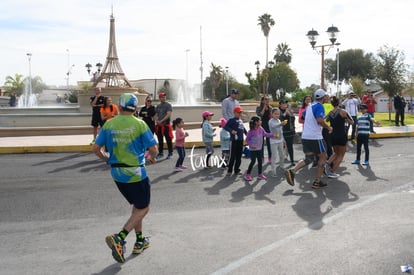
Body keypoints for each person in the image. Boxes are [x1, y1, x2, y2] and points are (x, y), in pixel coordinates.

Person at [92, 93, 158, 263]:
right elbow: (154, 149)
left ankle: (140, 241)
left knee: (137, 207)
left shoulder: (109, 124)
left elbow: (96, 148)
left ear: (119, 107)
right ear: (135, 109)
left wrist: (107, 159)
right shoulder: (140, 124)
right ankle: (120, 237)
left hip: (116, 173)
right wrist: (150, 157)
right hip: (135, 173)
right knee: (144, 208)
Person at [285, 89, 333, 189]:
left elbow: (302, 117)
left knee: (309, 158)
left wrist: (312, 123)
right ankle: (317, 181)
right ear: (323, 97)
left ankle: (292, 171)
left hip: (306, 136)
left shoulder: (310, 106)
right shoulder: (319, 106)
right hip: (315, 137)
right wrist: (328, 127)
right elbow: (319, 120)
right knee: (323, 157)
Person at [325, 96, 354, 178]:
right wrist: (345, 119)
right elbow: (352, 122)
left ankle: (326, 165)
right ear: (339, 103)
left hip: (333, 135)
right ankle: (332, 172)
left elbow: (326, 120)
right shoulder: (343, 111)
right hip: (341, 134)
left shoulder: (330, 112)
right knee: (341, 154)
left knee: (336, 153)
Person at [244, 116, 276, 181]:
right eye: (260, 121)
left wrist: (273, 135)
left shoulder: (261, 128)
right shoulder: (251, 131)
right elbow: (247, 140)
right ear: (256, 122)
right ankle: (247, 174)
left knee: (260, 161)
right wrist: (251, 145)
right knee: (253, 161)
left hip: (259, 149)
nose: (261, 122)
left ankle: (260, 174)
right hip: (253, 150)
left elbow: (266, 134)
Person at [224, 106, 246, 176]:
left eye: (240, 112)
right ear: (235, 113)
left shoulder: (241, 120)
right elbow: (225, 127)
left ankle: (237, 170)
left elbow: (243, 128)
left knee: (239, 156)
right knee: (232, 156)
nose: (240, 114)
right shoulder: (231, 120)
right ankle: (229, 170)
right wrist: (231, 131)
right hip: (234, 140)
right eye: (238, 112)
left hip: (240, 140)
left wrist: (247, 134)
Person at [268, 108, 287, 177]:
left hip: (280, 140)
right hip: (273, 141)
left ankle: (281, 166)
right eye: (275, 114)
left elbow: (281, 131)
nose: (277, 115)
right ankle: (273, 171)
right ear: (272, 114)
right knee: (274, 156)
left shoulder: (279, 120)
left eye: (278, 114)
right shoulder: (270, 121)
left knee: (282, 154)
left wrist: (283, 140)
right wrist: (281, 124)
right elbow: (274, 126)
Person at [155, 92, 173, 159]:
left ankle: (170, 153)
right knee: (160, 140)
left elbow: (168, 114)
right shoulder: (158, 106)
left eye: (164, 97)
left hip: (166, 125)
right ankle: (160, 153)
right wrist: (157, 121)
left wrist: (161, 121)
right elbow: (156, 114)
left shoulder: (168, 105)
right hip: (159, 126)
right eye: (162, 97)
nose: (164, 98)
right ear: (159, 98)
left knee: (168, 139)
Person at [279, 99, 296, 167]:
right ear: (280, 104)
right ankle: (281, 161)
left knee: (290, 146)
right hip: (281, 132)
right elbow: (281, 118)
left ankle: (292, 160)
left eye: (286, 103)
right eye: (283, 103)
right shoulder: (278, 111)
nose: (285, 105)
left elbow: (293, 120)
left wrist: (291, 114)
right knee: (280, 147)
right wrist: (286, 112)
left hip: (290, 131)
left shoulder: (288, 111)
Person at [256, 96, 272, 163]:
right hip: (261, 127)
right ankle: (261, 157)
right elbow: (260, 115)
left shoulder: (270, 108)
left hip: (268, 127)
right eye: (266, 100)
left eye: (268, 100)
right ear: (262, 101)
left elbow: (271, 117)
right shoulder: (259, 107)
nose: (267, 101)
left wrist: (268, 109)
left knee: (269, 143)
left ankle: (270, 157)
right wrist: (263, 108)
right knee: (261, 143)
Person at [322, 94, 334, 160]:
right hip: (323, 126)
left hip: (331, 126)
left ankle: (330, 157)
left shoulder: (332, 106)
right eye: (325, 97)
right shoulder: (321, 106)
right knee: (326, 142)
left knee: (329, 142)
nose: (326, 98)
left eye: (327, 97)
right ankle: (327, 156)